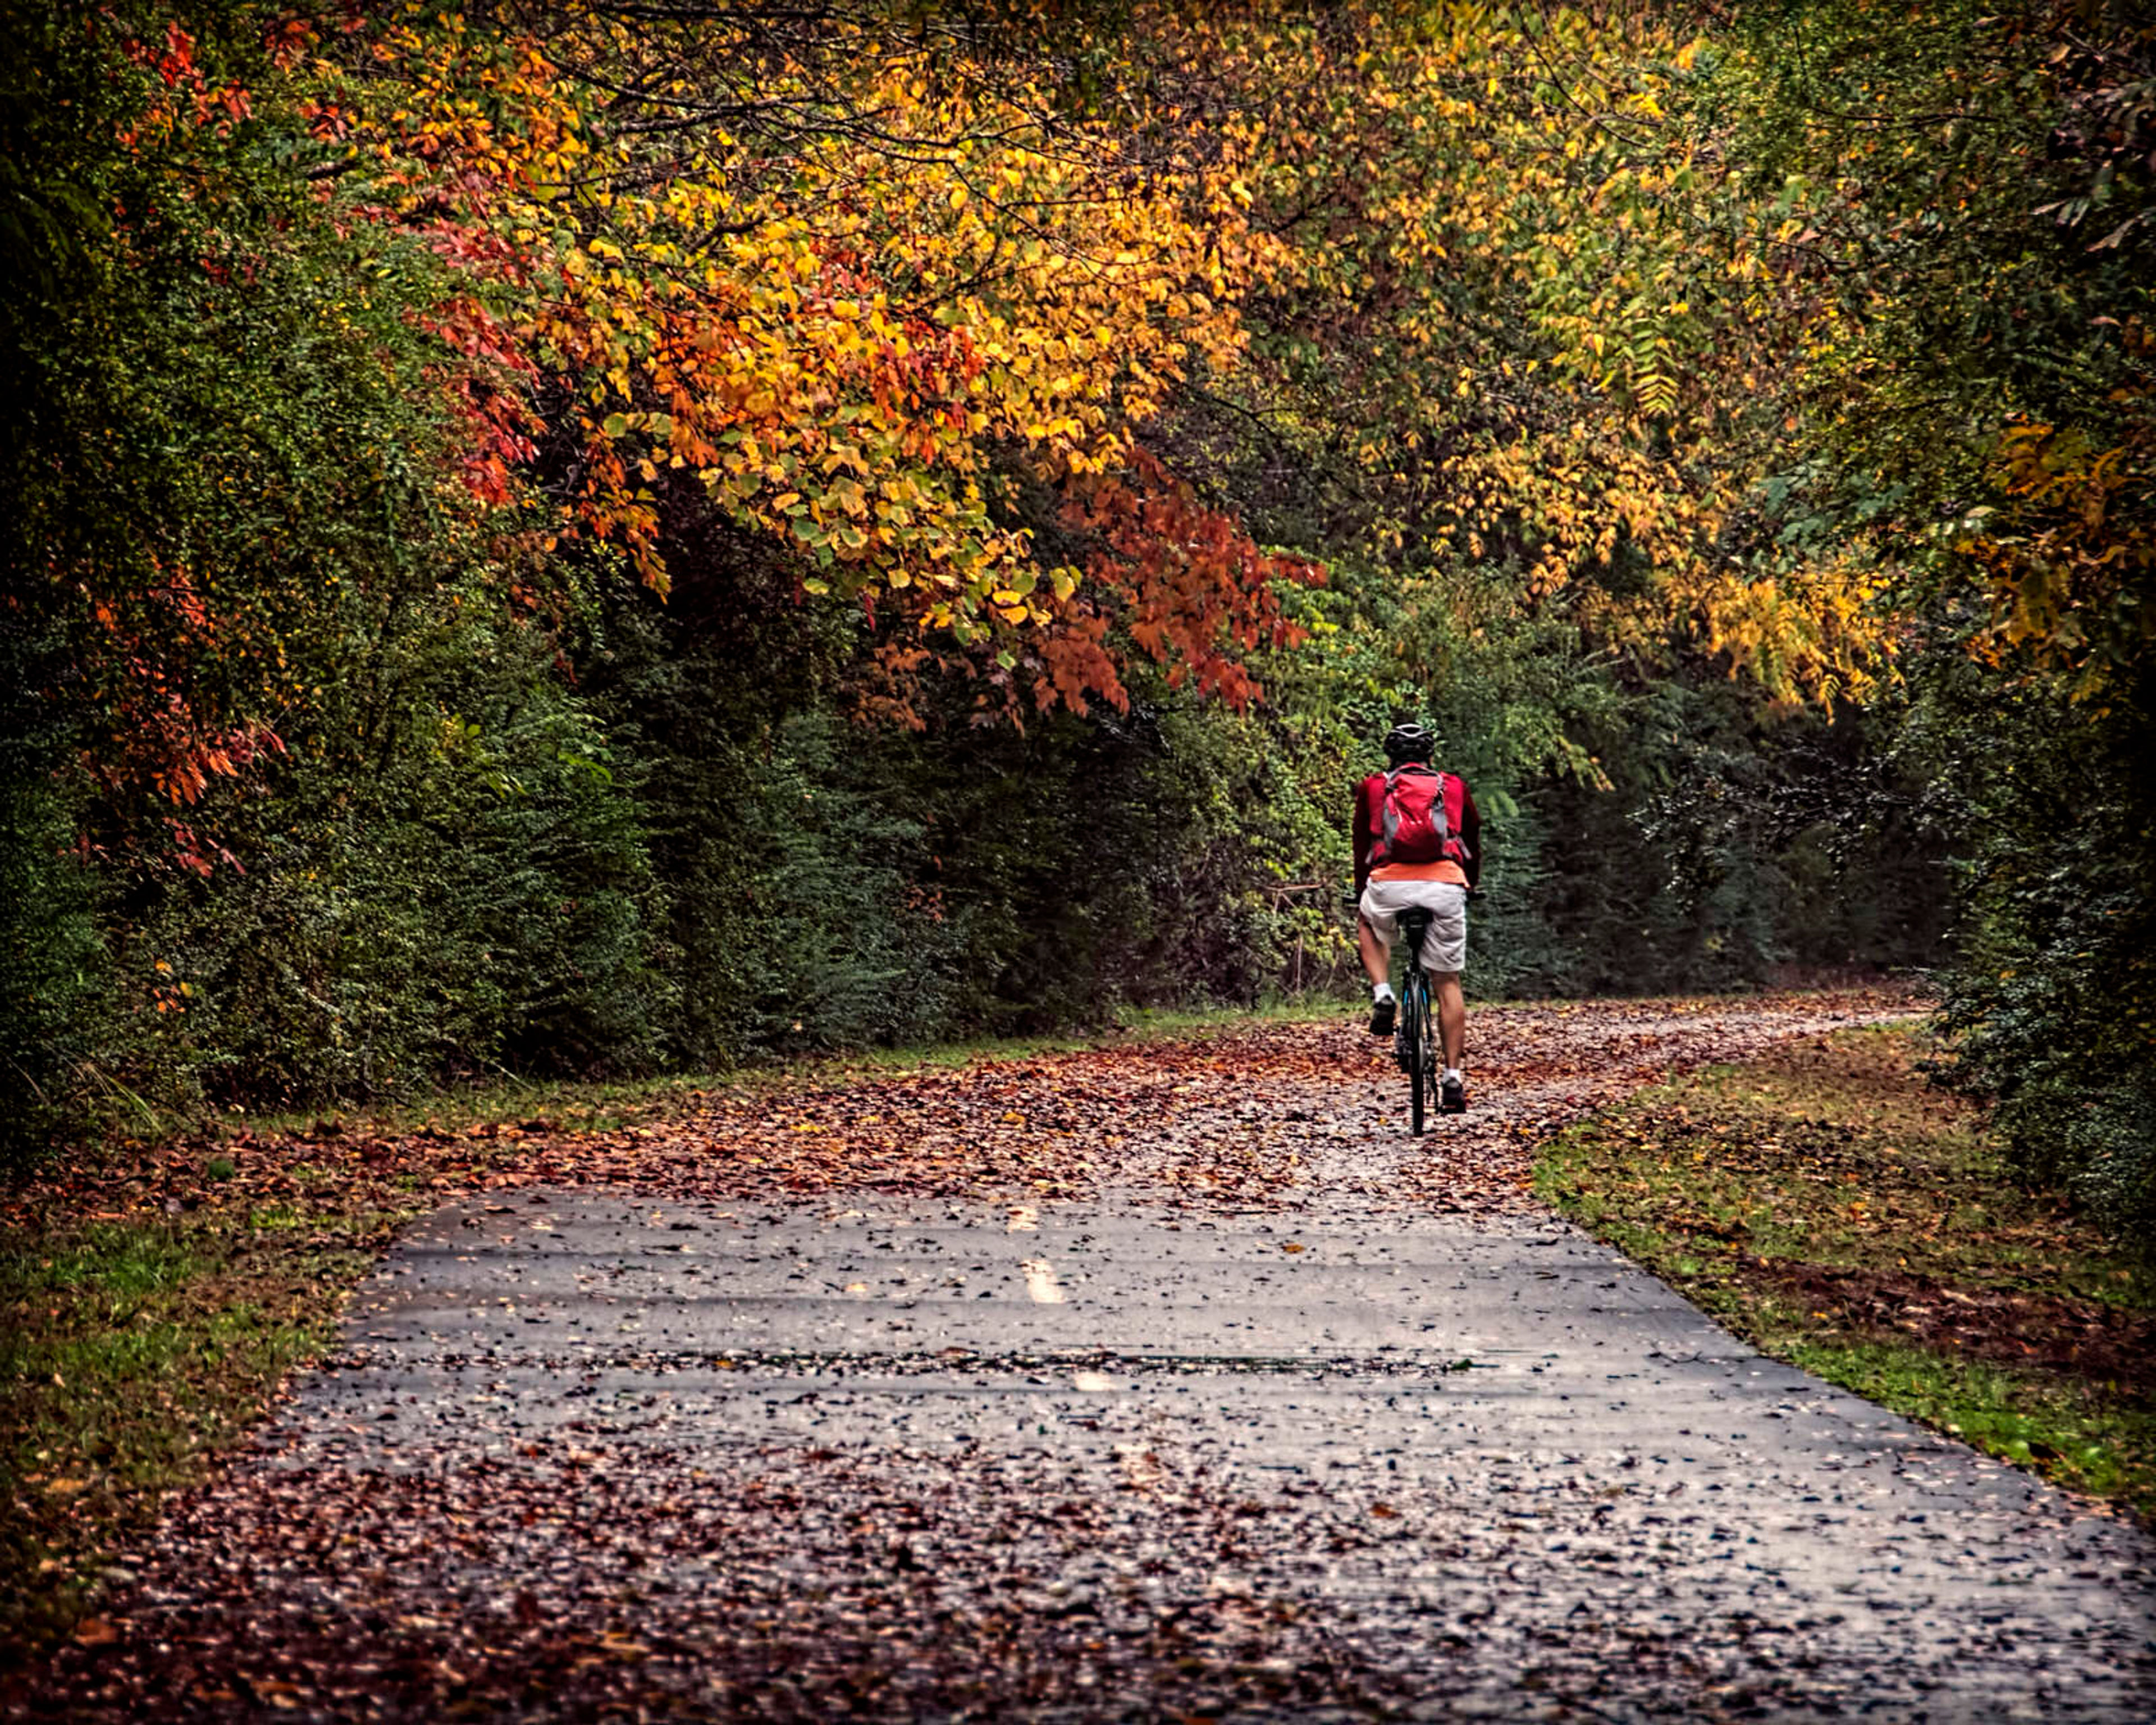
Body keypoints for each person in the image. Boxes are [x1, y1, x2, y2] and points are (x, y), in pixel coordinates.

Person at [1353, 721, 1481, 1113]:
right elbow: (1472, 840)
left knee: (1367, 922)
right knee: (1447, 982)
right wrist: (1468, 884)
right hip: (1445, 886)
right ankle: (1453, 1077)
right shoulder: (1454, 787)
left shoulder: (1374, 787)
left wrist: (1363, 889)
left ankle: (1383, 993)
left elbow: (1362, 843)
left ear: (1390, 756)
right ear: (1430, 756)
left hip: (1389, 885)